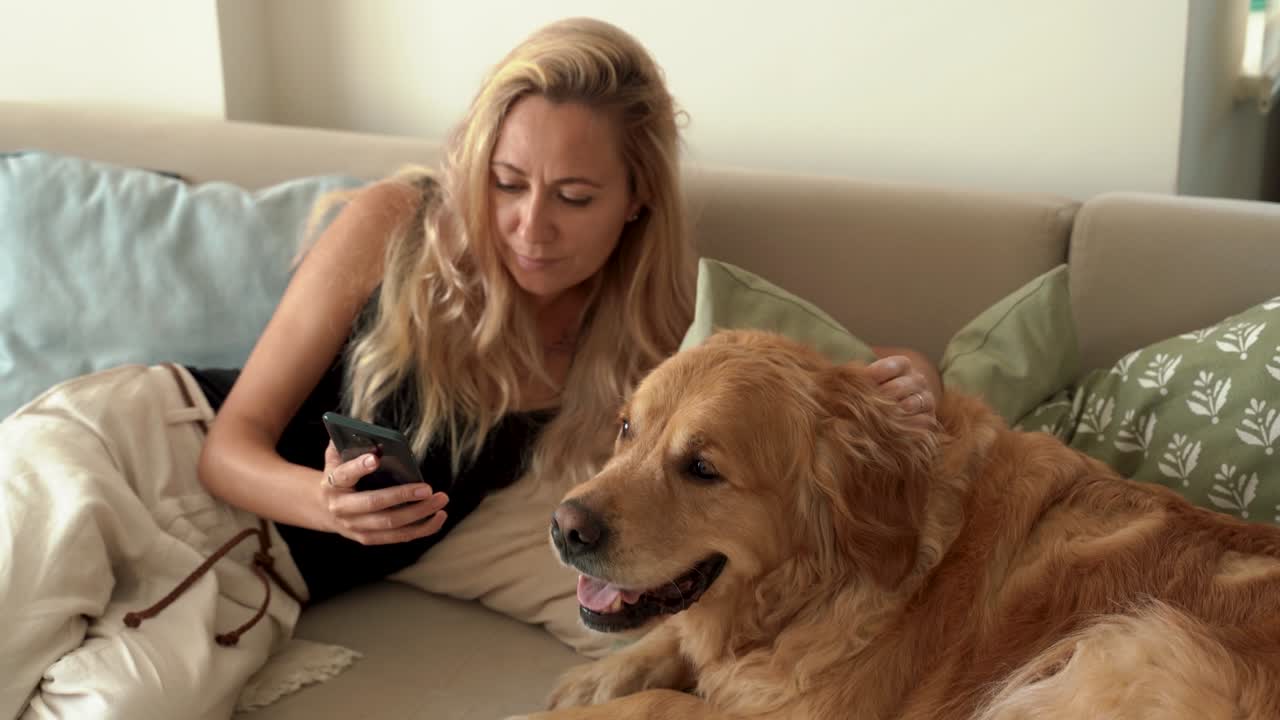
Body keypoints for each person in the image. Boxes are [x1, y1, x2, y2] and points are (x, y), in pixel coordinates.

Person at [0, 16, 941, 719]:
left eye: (575, 196)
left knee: (121, 709)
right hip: (134, 452)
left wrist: (910, 375)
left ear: (637, 200)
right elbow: (226, 447)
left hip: (254, 580)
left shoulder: (656, 338)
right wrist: (323, 503)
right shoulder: (394, 225)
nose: (532, 227)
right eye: (507, 183)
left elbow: (822, 388)